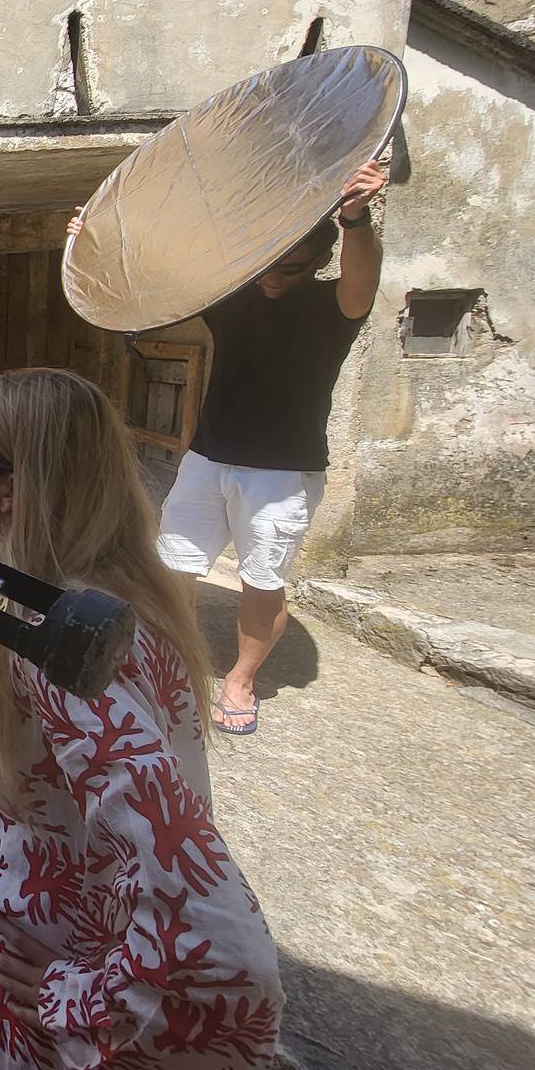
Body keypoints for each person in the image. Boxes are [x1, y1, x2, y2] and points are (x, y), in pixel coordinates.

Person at [0, 367, 283, 1070]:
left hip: (57, 1045)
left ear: (15, 488)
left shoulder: (61, 649)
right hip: (34, 1005)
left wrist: (86, 1000)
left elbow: (222, 945)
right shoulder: (94, 604)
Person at [151, 162, 386, 736]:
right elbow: (162, 270)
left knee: (261, 578)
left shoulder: (334, 307)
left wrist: (354, 217)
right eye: (272, 265)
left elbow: (365, 274)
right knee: (174, 566)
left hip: (282, 471)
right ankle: (169, 666)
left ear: (318, 264)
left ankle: (240, 680)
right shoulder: (233, 297)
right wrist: (94, 240)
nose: (280, 277)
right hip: (208, 457)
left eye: (297, 267)